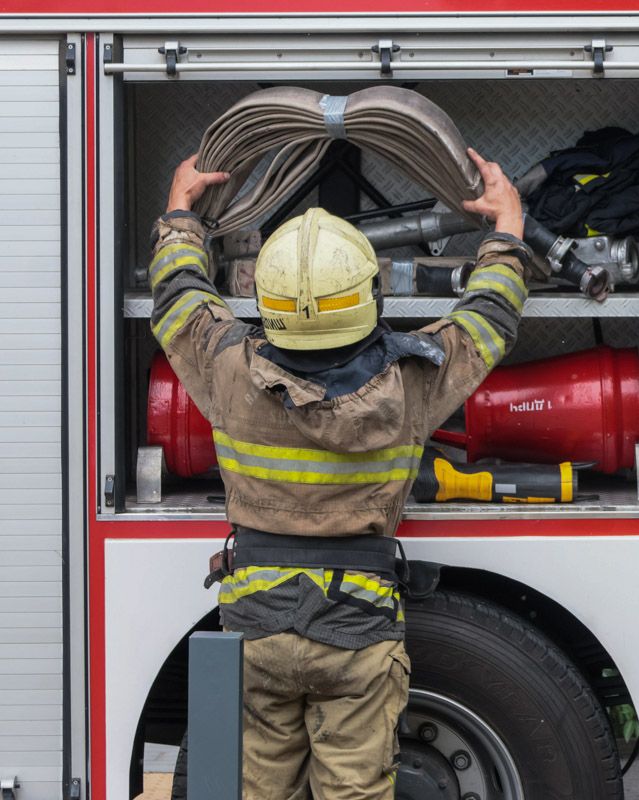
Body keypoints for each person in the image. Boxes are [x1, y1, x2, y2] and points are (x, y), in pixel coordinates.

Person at [151, 148, 543, 799]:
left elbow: (178, 300)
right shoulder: (413, 381)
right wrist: (506, 227)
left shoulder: (226, 368)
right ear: (368, 295)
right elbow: (488, 318)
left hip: (257, 625)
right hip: (358, 631)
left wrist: (180, 212)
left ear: (265, 299)